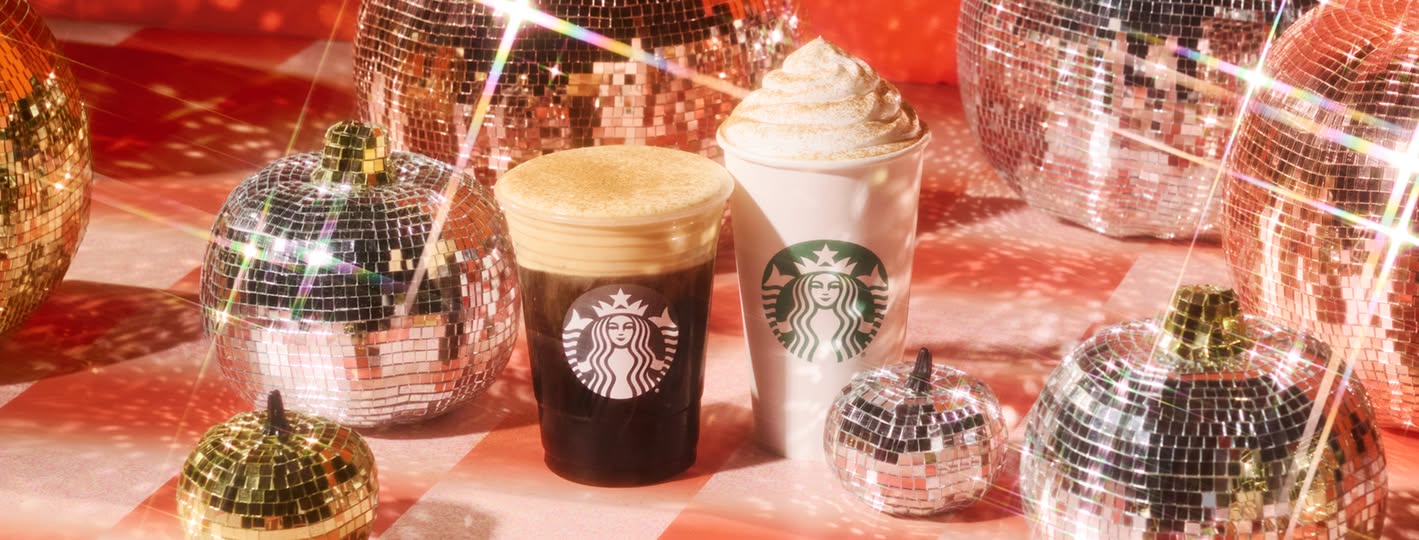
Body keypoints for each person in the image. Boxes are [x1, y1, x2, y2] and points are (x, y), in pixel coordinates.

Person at [785, 272, 867, 362]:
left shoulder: (852, 323)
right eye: (816, 286)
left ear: (843, 292)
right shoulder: (798, 323)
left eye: (834, 286)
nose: (825, 291)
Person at [584, 313, 659, 399]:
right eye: (613, 327)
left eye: (628, 327)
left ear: (637, 330)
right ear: (602, 330)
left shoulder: (646, 357)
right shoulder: (595, 358)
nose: (621, 332)